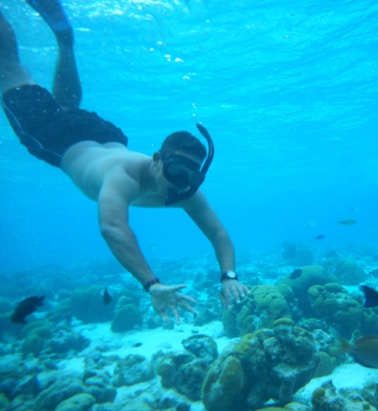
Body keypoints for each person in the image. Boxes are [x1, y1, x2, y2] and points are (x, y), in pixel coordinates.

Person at [0, 0, 249, 324]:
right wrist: (152, 285)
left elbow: (218, 233)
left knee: (67, 105)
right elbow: (112, 227)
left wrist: (228, 275)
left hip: (101, 135)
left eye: (192, 177)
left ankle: (65, 39)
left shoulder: (185, 190)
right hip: (58, 140)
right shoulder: (122, 178)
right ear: (157, 160)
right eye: (176, 171)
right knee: (10, 69)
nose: (182, 183)